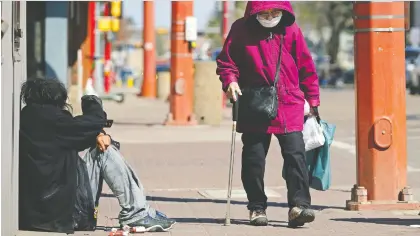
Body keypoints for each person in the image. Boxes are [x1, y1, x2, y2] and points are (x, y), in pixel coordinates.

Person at [19, 78, 176, 233]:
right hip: (63, 214)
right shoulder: (53, 120)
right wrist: (91, 101)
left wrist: (97, 133)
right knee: (104, 151)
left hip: (39, 212)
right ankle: (137, 213)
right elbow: (93, 121)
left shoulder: (29, 117)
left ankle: (140, 211)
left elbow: (78, 133)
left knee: (99, 144)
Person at [216, 1, 320, 228]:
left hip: (289, 101)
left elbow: (306, 65)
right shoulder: (240, 29)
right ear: (254, 11)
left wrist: (312, 99)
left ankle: (299, 206)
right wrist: (230, 82)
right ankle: (256, 207)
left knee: (295, 155)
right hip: (255, 102)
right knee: (254, 158)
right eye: (265, 12)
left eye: (275, 12)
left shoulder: (291, 30)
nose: (271, 16)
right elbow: (227, 63)